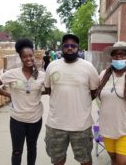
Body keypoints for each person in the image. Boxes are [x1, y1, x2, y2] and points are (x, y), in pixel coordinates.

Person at [44, 34, 99, 165]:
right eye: (66, 46)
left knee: (85, 159)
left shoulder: (88, 67)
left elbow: (94, 91)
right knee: (57, 160)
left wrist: (80, 100)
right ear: (62, 48)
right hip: (56, 124)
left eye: (73, 46)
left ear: (78, 48)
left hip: (81, 125)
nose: (69, 48)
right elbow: (48, 89)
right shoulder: (52, 66)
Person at [0, 38, 45, 165]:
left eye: (30, 55)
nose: (28, 59)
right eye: (25, 57)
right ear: (20, 58)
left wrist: (38, 91)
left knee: (32, 148)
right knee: (17, 151)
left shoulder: (41, 76)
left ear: (34, 55)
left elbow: (49, 89)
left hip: (35, 119)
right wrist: (9, 95)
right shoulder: (12, 74)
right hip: (17, 120)